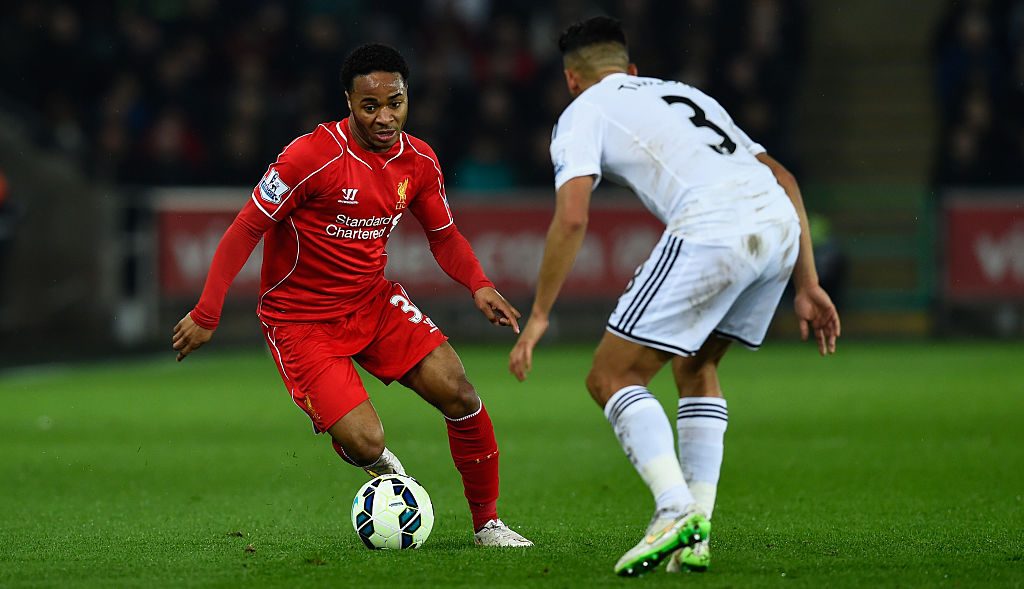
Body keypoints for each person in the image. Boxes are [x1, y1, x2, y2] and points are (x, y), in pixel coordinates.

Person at [509, 17, 840, 575]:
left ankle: (673, 510)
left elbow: (571, 219)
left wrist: (540, 314)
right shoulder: (684, 93)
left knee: (610, 377)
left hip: (714, 225)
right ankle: (696, 535)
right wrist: (807, 283)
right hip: (778, 227)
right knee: (696, 365)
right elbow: (784, 177)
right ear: (631, 71)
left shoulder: (580, 113)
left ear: (572, 80)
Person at [172, 43, 533, 548]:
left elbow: (444, 236)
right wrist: (207, 311)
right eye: (371, 106)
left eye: (396, 103)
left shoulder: (420, 161)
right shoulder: (309, 157)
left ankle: (488, 525)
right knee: (367, 440)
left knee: (459, 392)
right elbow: (246, 227)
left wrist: (479, 283)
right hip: (301, 322)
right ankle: (379, 465)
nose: (386, 117)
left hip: (373, 303)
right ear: (348, 101)